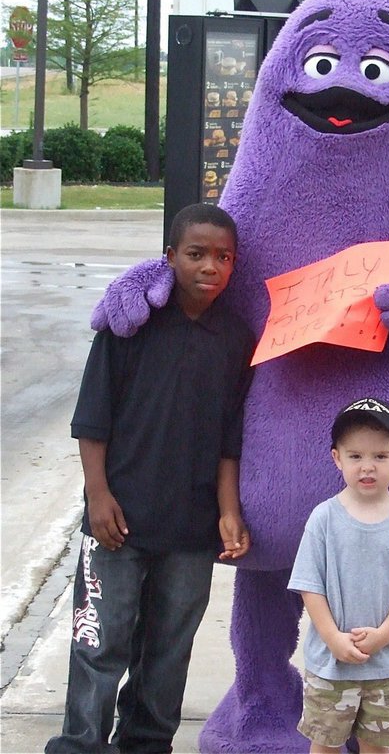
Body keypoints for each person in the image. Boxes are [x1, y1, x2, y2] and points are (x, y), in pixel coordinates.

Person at [46, 203, 255, 754]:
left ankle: (146, 741)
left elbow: (231, 439)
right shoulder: (130, 324)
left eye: (223, 257)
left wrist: (227, 511)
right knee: (100, 641)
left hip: (190, 526)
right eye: (196, 254)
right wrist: (98, 496)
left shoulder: (236, 339)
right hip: (118, 520)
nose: (210, 266)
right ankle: (82, 743)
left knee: (169, 646)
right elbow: (93, 418)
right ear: (170, 257)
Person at [288, 398, 389, 754]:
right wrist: (333, 638)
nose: (367, 466)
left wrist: (383, 636)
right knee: (324, 744)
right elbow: (310, 585)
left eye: (380, 456)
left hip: (386, 665)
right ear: (337, 458)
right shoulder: (323, 519)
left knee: (377, 746)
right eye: (356, 456)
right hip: (329, 665)